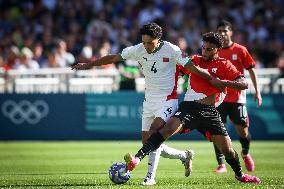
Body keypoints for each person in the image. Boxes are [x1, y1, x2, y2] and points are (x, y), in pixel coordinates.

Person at [71, 22, 219, 185]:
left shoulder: (172, 50)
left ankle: (150, 177)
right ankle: (184, 156)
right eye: (144, 42)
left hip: (168, 100)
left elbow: (193, 68)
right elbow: (113, 58)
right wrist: (88, 65)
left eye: (150, 43)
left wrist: (214, 80)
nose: (147, 46)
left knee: (155, 131)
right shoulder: (138, 49)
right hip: (149, 102)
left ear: (158, 39)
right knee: (149, 142)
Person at [124, 32, 261, 184]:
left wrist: (222, 82)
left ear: (218, 49)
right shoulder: (194, 61)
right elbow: (173, 71)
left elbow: (244, 84)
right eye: (203, 47)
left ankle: (240, 175)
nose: (204, 51)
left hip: (209, 113)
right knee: (167, 129)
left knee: (227, 150)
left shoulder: (224, 65)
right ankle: (137, 158)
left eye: (209, 49)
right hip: (189, 108)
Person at [213, 20, 262, 173]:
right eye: (219, 31)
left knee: (243, 130)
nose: (222, 33)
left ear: (231, 32)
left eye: (225, 31)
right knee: (216, 130)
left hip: (237, 97)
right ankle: (221, 164)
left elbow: (251, 70)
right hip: (219, 98)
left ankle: (245, 153)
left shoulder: (240, 50)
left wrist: (257, 91)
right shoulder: (214, 50)